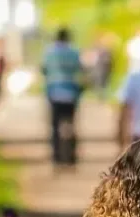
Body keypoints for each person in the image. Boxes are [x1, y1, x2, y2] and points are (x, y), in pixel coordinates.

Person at [43, 27, 85, 167]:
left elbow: (43, 69)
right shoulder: (74, 51)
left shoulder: (50, 52)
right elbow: (81, 69)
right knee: (71, 124)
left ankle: (57, 156)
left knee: (55, 126)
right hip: (71, 92)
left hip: (54, 92)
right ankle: (71, 156)